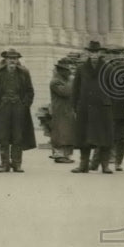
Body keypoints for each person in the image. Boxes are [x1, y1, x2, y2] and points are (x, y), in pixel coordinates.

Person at [0, 49, 36, 172]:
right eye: (10, 58)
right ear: (6, 60)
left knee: (17, 136)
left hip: (18, 109)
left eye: (15, 58)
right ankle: (4, 163)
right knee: (3, 136)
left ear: (18, 60)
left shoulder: (24, 73)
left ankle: (16, 163)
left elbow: (30, 91)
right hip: (3, 109)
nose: (12, 61)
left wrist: (24, 105)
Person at [71, 40, 114, 174]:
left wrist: (110, 105)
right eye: (91, 52)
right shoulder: (81, 68)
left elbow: (114, 90)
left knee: (104, 138)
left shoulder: (108, 68)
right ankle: (83, 165)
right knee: (84, 137)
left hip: (103, 108)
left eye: (96, 52)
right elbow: (75, 89)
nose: (94, 54)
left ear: (100, 53)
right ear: (87, 53)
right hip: (85, 108)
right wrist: (74, 107)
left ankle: (105, 165)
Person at [48, 58, 75, 164]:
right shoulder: (55, 81)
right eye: (67, 70)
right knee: (60, 133)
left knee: (67, 133)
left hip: (67, 110)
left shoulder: (65, 80)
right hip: (60, 110)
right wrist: (72, 80)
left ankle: (66, 155)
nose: (69, 72)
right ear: (60, 70)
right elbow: (66, 92)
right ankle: (59, 155)